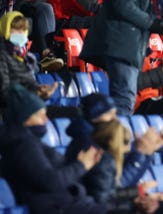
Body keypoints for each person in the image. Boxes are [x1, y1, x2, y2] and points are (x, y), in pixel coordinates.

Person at [0, 84, 105, 214]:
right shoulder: (23, 145)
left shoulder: (25, 141)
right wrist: (81, 165)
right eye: (39, 115)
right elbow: (50, 181)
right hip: (58, 207)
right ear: (24, 119)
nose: (46, 119)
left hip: (65, 204)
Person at [0, 12, 60, 111]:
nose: (22, 34)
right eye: (17, 30)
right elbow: (5, 91)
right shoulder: (3, 55)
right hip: (14, 110)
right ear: (6, 31)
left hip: (27, 104)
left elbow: (28, 82)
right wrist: (34, 94)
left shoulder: (23, 56)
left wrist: (39, 89)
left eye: (24, 30)